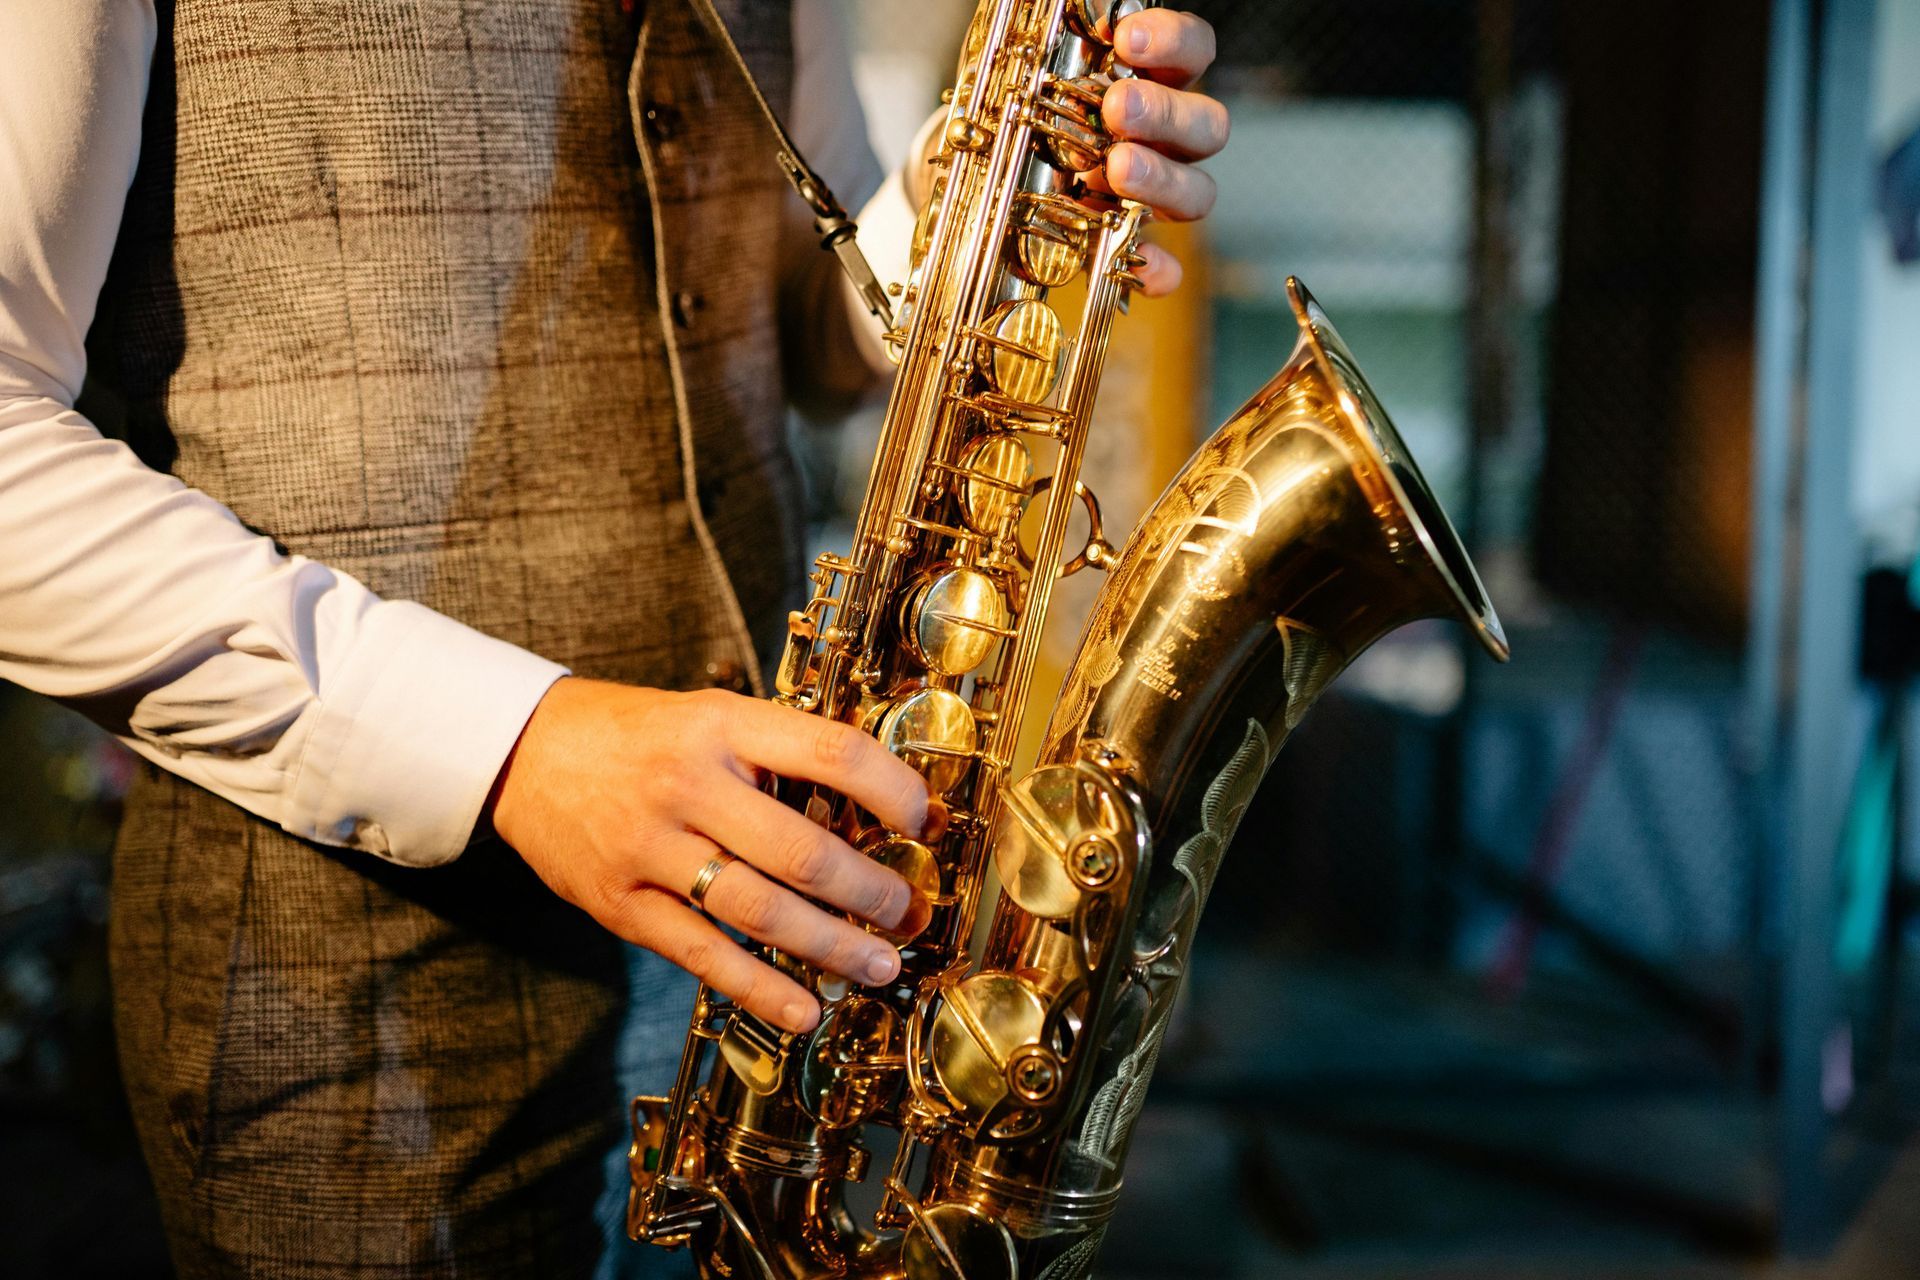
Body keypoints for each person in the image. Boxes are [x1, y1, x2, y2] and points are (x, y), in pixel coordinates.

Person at [0, 0, 1230, 1274]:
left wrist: (984, 205)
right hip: (351, 1013)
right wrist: (513, 744)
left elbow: (811, 324)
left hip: (765, 978)